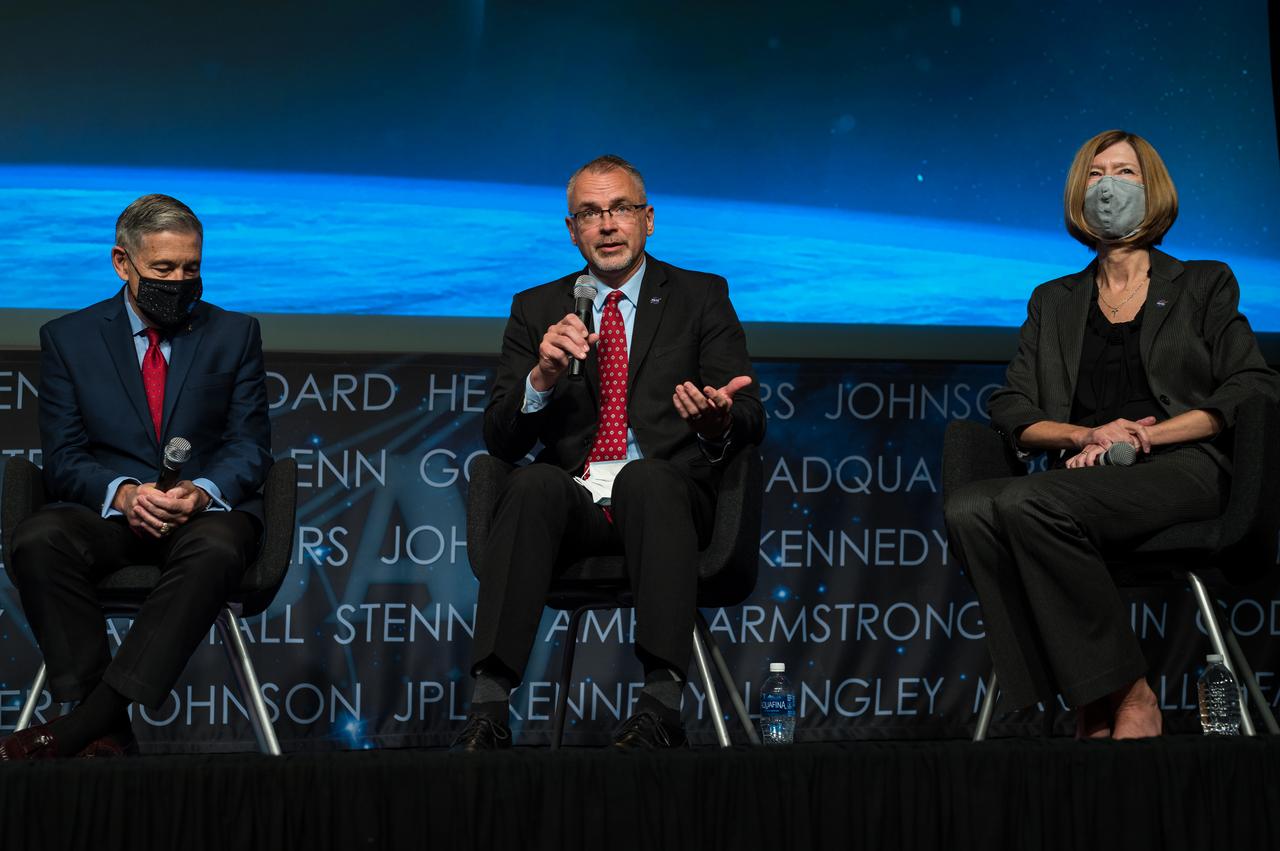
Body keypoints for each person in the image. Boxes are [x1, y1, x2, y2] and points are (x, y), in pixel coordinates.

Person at [944, 130, 1280, 738]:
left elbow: (1252, 386)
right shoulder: (1053, 300)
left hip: (1183, 470)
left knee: (1025, 502)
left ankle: (1123, 697)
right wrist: (1086, 436)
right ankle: (1098, 692)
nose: (1108, 187)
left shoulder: (1203, 284)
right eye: (1096, 174)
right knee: (970, 507)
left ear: (1153, 190)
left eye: (1125, 173)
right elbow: (1011, 404)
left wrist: (1150, 437)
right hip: (1086, 477)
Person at [454, 155, 765, 750]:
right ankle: (489, 709)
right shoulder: (536, 308)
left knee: (645, 479)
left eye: (620, 208)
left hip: (668, 498)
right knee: (530, 483)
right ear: (572, 230)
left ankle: (661, 705)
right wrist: (542, 378)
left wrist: (718, 418)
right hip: (579, 503)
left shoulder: (700, 295)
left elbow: (750, 412)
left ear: (648, 219)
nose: (606, 224)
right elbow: (501, 440)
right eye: (590, 213)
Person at [0, 194, 272, 759]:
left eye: (191, 268)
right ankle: (107, 731)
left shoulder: (235, 333)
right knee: (39, 538)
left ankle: (85, 724)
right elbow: (65, 456)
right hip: (112, 516)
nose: (179, 281)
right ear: (122, 262)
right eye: (163, 268)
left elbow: (250, 446)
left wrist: (202, 492)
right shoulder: (68, 338)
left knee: (220, 548)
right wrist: (123, 495)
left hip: (202, 517)